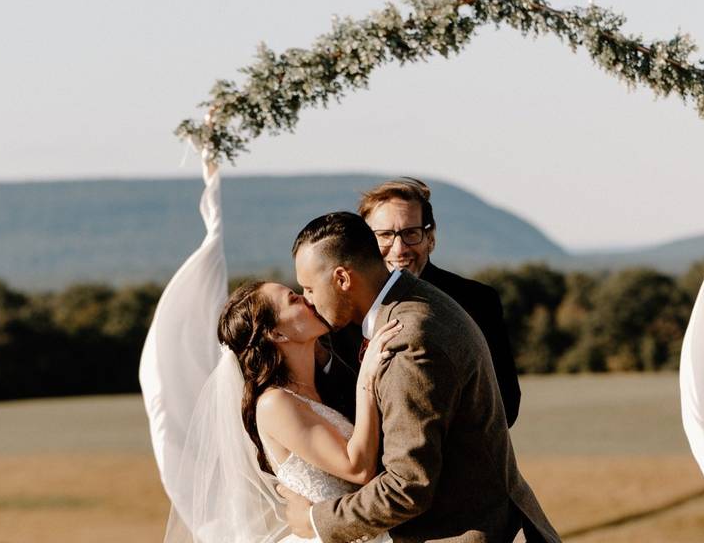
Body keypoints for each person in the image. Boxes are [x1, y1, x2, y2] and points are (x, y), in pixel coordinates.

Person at [281, 211, 560, 542]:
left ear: (342, 278)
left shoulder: (409, 339)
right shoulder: (414, 298)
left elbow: (408, 486)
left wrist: (316, 521)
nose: (308, 301)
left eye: (310, 288)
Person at [202, 279, 399, 543]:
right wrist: (367, 379)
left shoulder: (320, 385)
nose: (307, 299)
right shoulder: (275, 404)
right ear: (278, 334)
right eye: (293, 299)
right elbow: (357, 468)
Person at [322, 177, 522, 427]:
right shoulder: (343, 308)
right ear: (364, 244)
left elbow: (506, 404)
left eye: (411, 234)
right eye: (384, 235)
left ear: (430, 238)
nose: (399, 248)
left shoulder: (477, 300)